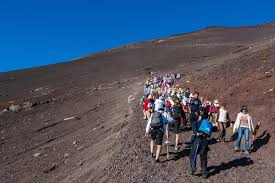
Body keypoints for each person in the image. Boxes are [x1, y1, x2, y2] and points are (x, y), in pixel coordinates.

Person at [189, 110, 213, 179]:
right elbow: (210, 133)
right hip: (205, 141)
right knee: (203, 157)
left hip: (197, 140)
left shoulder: (197, 122)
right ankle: (204, 173)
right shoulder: (210, 124)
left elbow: (194, 130)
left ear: (200, 116)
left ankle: (193, 169)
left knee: (192, 155)